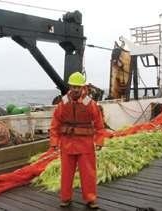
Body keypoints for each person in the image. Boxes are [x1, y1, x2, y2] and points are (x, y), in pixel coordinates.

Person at [50, 71, 106, 209]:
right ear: (70, 87)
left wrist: (99, 141)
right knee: (66, 174)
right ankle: (65, 199)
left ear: (83, 88)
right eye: (73, 86)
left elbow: (99, 124)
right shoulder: (62, 103)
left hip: (85, 145)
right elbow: (55, 124)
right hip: (67, 144)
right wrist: (54, 143)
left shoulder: (90, 104)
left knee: (88, 174)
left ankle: (90, 199)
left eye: (78, 87)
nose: (75, 89)